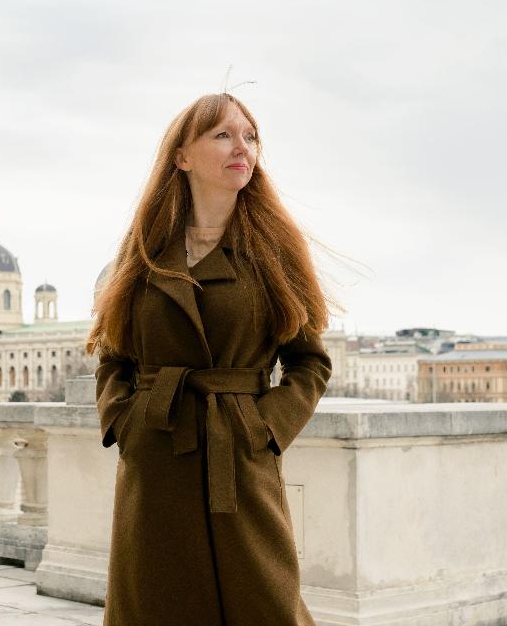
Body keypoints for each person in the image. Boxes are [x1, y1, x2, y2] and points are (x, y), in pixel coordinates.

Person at [87, 91, 333, 626]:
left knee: (264, 601)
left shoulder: (275, 252)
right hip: (157, 458)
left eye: (249, 135)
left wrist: (263, 429)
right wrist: (125, 422)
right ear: (181, 156)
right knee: (157, 603)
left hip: (239, 457)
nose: (241, 146)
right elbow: (113, 354)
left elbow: (310, 363)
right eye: (222, 135)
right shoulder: (143, 252)